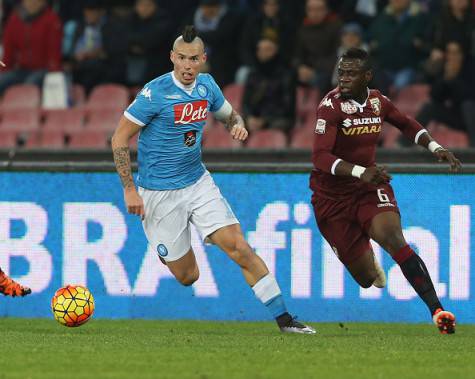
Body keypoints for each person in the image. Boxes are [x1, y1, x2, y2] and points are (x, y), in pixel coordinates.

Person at [111, 25, 315, 334]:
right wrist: (129, 190)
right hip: (158, 193)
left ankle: (286, 321)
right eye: (182, 58)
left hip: (197, 182)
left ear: (203, 59)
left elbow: (230, 115)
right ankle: (166, 241)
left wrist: (238, 124)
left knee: (239, 247)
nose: (188, 66)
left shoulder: (207, 86)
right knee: (187, 276)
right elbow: (119, 139)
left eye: (194, 59)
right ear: (172, 58)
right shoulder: (154, 93)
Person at [311, 47, 461, 334]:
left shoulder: (378, 102)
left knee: (394, 238)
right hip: (332, 198)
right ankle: (359, 248)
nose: (343, 79)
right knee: (367, 279)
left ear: (367, 76)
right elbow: (320, 158)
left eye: (351, 74)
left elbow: (405, 123)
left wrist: (435, 146)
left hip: (368, 187)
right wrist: (360, 171)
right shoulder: (329, 107)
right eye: (341, 72)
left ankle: (438, 311)